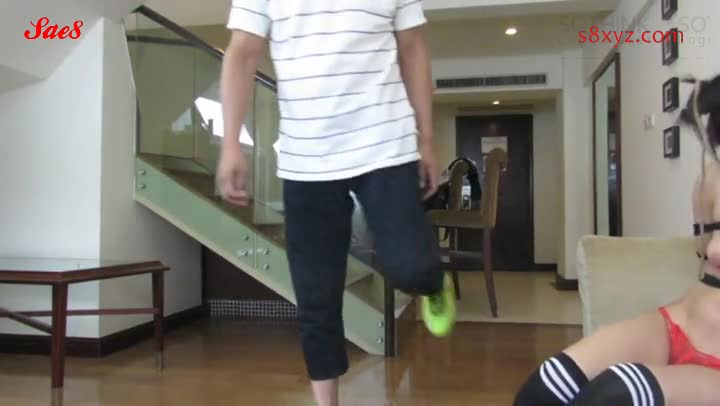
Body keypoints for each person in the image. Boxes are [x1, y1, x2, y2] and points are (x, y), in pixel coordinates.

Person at [216, 2, 457, 405]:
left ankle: (433, 284)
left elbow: (413, 47)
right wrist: (230, 144)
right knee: (316, 297)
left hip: (386, 145)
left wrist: (427, 139)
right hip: (306, 158)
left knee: (410, 266)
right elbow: (241, 53)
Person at [513, 75, 720, 406]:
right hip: (679, 323)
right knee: (544, 388)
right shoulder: (710, 178)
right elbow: (705, 249)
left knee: (616, 395)